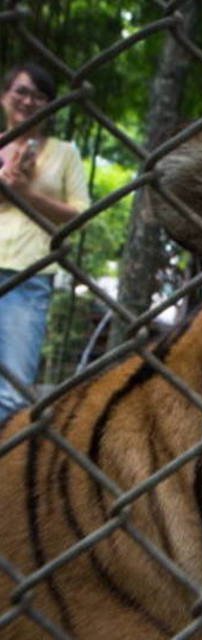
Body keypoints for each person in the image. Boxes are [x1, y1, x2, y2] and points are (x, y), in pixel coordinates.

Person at [0, 63, 89, 423]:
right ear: (5, 96)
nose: (28, 101)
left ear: (50, 105)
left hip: (30, 273)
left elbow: (80, 214)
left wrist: (26, 193)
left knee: (11, 390)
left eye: (39, 96)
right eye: (20, 91)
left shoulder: (65, 152)